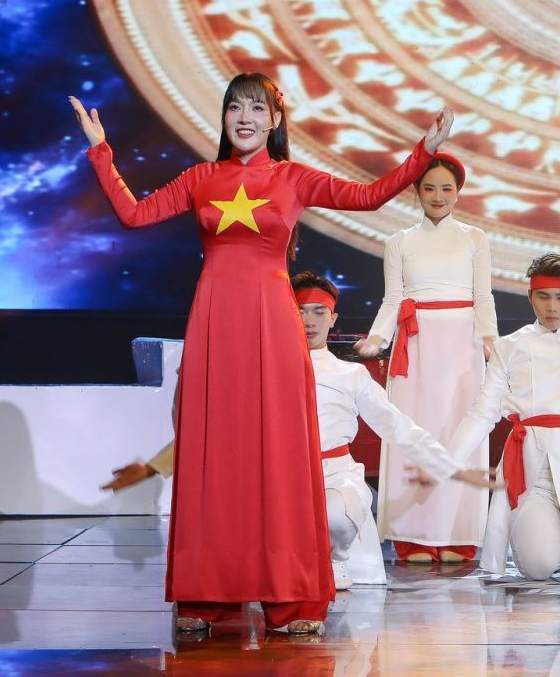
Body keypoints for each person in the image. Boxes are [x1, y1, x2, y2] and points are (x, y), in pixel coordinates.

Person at [69, 74, 451, 635]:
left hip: (273, 324)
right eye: (234, 108)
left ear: (274, 120)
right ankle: (208, 594)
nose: (244, 118)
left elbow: (367, 196)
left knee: (279, 450)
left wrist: (424, 152)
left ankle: (290, 597)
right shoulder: (201, 178)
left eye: (255, 108)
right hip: (215, 323)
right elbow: (134, 214)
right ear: (224, 117)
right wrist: (101, 151)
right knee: (215, 447)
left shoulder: (293, 177)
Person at [103, 271, 492, 590]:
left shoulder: (350, 375)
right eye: (300, 311)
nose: (309, 321)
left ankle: (334, 559)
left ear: (333, 318)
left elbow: (399, 427)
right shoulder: (260, 373)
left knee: (333, 514)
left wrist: (451, 467)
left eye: (319, 312)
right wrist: (155, 468)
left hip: (335, 476)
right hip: (277, 480)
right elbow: (215, 432)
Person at [445, 253, 560, 581]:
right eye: (543, 297)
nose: (552, 307)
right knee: (538, 567)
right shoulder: (509, 347)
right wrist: (444, 461)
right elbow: (483, 411)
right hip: (531, 474)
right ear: (530, 296)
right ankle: (549, 541)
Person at [352, 151, 494, 565]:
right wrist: (379, 337)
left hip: (463, 348)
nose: (438, 196)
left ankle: (458, 534)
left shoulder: (474, 238)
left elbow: (483, 296)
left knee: (459, 432)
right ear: (416, 190)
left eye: (446, 188)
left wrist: (490, 340)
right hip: (416, 347)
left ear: (458, 192)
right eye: (429, 188)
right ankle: (412, 536)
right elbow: (393, 298)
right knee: (413, 433)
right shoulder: (399, 241)